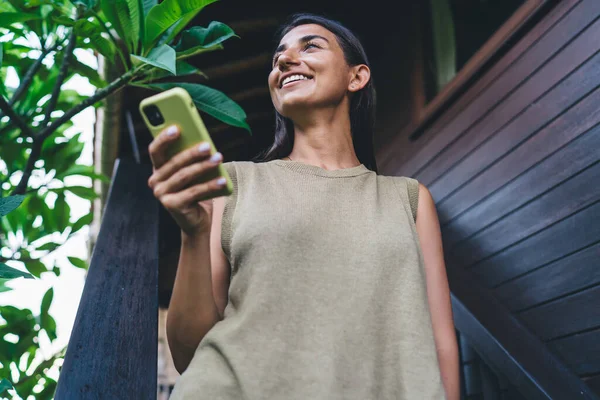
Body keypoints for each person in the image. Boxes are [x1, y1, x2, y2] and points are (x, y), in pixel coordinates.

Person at [147, 13, 459, 400]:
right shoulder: (231, 183)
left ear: (356, 77)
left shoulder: (409, 199)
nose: (284, 61)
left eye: (309, 45)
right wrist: (193, 235)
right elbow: (188, 354)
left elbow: (442, 344)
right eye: (278, 56)